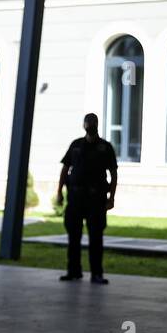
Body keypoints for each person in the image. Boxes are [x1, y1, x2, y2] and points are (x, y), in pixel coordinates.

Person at [55, 113, 117, 284]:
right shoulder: (76, 145)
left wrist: (111, 197)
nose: (90, 125)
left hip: (96, 199)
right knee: (73, 237)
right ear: (84, 125)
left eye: (92, 123)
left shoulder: (105, 147)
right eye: (87, 123)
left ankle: (96, 274)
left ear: (97, 125)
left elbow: (113, 173)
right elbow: (65, 169)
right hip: (75, 198)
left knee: (96, 238)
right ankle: (74, 271)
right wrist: (59, 192)